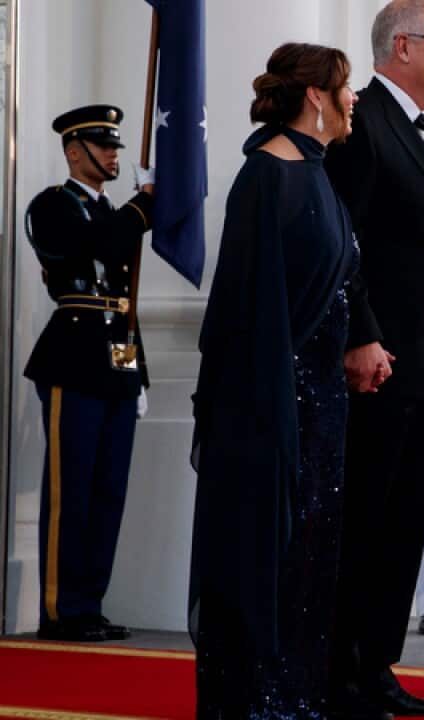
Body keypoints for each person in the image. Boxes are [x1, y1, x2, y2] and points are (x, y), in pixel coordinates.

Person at [189, 43, 362, 718]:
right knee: (273, 552)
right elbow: (244, 310)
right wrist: (273, 406)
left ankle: (297, 698)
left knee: (311, 558)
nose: (354, 100)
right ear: (317, 96)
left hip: (321, 403)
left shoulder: (318, 170)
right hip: (275, 405)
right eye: (347, 87)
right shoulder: (266, 174)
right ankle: (261, 702)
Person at [321, 1, 424, 716]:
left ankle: (375, 667)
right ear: (402, 46)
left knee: (404, 525)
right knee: (367, 524)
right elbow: (344, 243)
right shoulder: (363, 124)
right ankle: (341, 673)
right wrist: (360, 334)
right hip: (378, 365)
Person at [25, 104, 154, 643]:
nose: (113, 155)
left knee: (107, 491)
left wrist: (135, 373)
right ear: (74, 152)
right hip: (73, 360)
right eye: (103, 146)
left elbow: (121, 305)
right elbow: (99, 244)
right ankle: (61, 610)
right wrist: (142, 207)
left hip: (114, 362)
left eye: (115, 146)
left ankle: (90, 604)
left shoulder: (110, 212)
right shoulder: (53, 205)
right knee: (71, 490)